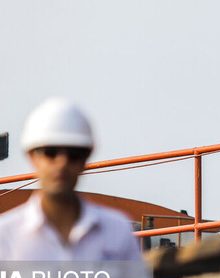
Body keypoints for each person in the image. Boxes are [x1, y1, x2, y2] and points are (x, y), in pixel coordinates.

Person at [0, 98, 144, 262]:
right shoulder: (5, 239)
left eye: (74, 154)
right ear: (32, 157)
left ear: (86, 158)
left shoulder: (118, 234)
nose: (62, 163)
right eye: (51, 152)